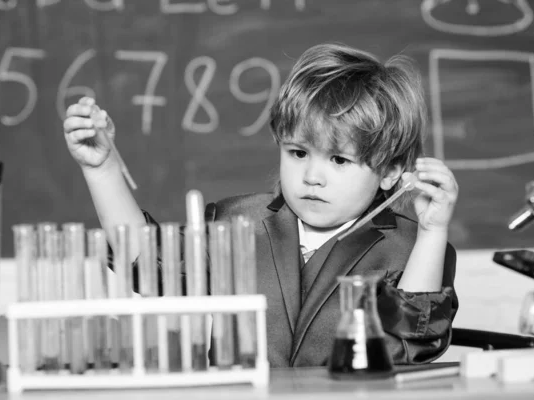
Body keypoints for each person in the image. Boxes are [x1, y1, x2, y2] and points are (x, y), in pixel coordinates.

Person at [62, 43, 459, 368]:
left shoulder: (414, 248)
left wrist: (433, 231)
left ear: (390, 172)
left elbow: (416, 340)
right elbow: (148, 265)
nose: (312, 176)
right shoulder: (236, 222)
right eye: (299, 152)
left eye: (338, 160)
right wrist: (104, 170)